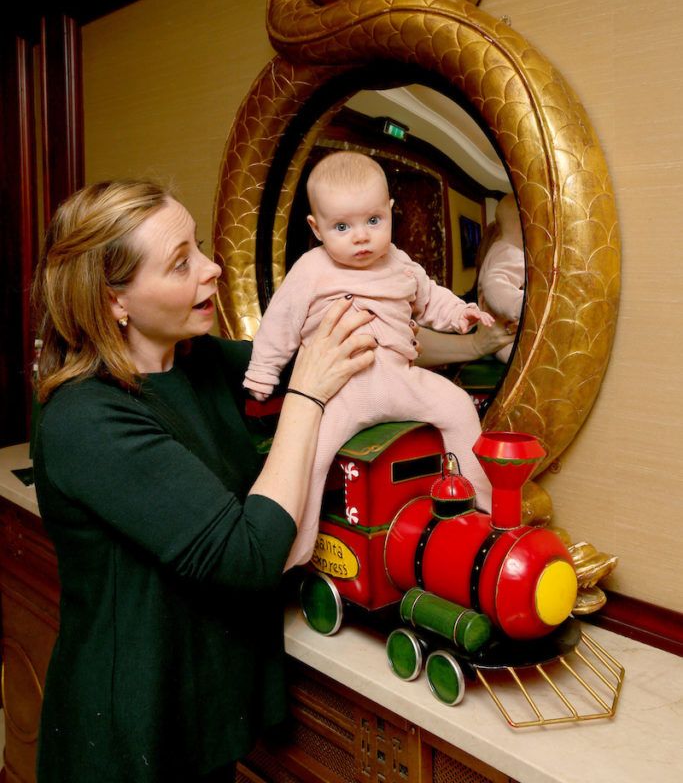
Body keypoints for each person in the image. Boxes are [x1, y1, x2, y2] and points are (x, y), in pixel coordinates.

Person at [31, 179, 378, 783]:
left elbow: (346, 354)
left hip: (199, 708)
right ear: (116, 301)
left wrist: (462, 332)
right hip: (129, 736)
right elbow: (247, 554)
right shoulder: (85, 418)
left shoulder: (202, 363)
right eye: (181, 262)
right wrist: (307, 397)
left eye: (201, 247)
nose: (213, 268)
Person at [244, 152, 496, 567]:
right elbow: (280, 323)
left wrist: (460, 314)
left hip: (401, 379)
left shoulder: (400, 264)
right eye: (342, 227)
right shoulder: (311, 270)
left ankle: (479, 507)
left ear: (390, 214)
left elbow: (430, 298)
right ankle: (297, 548)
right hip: (341, 392)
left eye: (373, 221)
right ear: (316, 228)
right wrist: (262, 372)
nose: (361, 237)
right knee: (310, 456)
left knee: (456, 405)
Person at [477, 193, 525, 362]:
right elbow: (493, 284)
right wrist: (526, 303)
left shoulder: (497, 249)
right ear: (525, 227)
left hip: (494, 335)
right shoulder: (512, 254)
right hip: (505, 340)